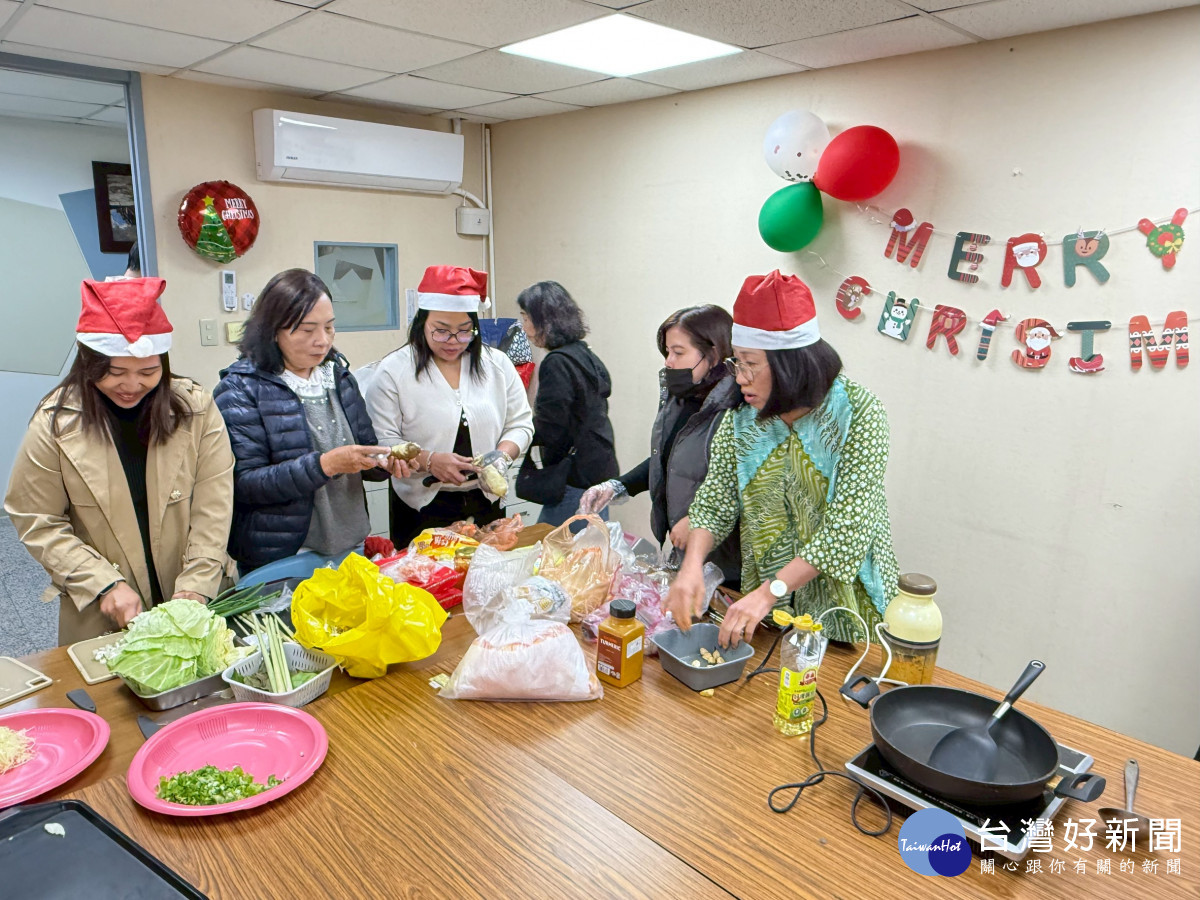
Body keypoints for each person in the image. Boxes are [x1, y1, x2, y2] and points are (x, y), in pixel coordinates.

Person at [665, 271, 898, 648]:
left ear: (791, 363)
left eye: (750, 364)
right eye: (735, 362)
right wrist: (691, 565)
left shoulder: (858, 412)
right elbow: (716, 499)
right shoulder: (741, 418)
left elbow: (846, 531)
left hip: (846, 610)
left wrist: (768, 591)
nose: (739, 377)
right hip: (768, 610)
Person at [4, 278, 234, 644]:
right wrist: (102, 583)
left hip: (193, 592)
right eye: (114, 372)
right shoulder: (57, 422)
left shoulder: (195, 409)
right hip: (103, 605)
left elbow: (214, 505)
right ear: (88, 364)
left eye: (148, 372)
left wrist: (197, 585)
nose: (132, 385)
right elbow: (37, 519)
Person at [213, 269, 406, 575]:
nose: (322, 341)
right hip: (284, 554)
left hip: (349, 544)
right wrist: (325, 465)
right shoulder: (239, 390)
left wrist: (382, 462)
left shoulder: (340, 378)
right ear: (272, 330)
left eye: (330, 328)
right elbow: (244, 484)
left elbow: (364, 452)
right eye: (306, 330)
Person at [366, 265, 533, 547]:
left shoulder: (497, 365)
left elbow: (520, 423)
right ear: (422, 324)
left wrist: (502, 457)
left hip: (485, 500)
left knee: (483, 581)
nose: (453, 341)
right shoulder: (394, 371)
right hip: (421, 506)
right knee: (424, 584)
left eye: (464, 331)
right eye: (441, 331)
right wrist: (429, 460)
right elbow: (383, 442)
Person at [579, 305, 742, 587]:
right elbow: (670, 460)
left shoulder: (737, 408)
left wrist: (698, 520)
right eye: (667, 352)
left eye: (679, 353)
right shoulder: (680, 396)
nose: (669, 361)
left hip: (726, 560)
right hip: (684, 550)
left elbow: (740, 483)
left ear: (714, 353)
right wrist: (618, 486)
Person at [516, 281, 618, 526]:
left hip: (574, 475)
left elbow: (553, 425)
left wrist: (520, 436)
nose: (524, 327)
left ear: (545, 321)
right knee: (589, 546)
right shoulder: (583, 353)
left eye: (526, 318)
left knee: (554, 549)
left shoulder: (557, 361)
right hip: (598, 466)